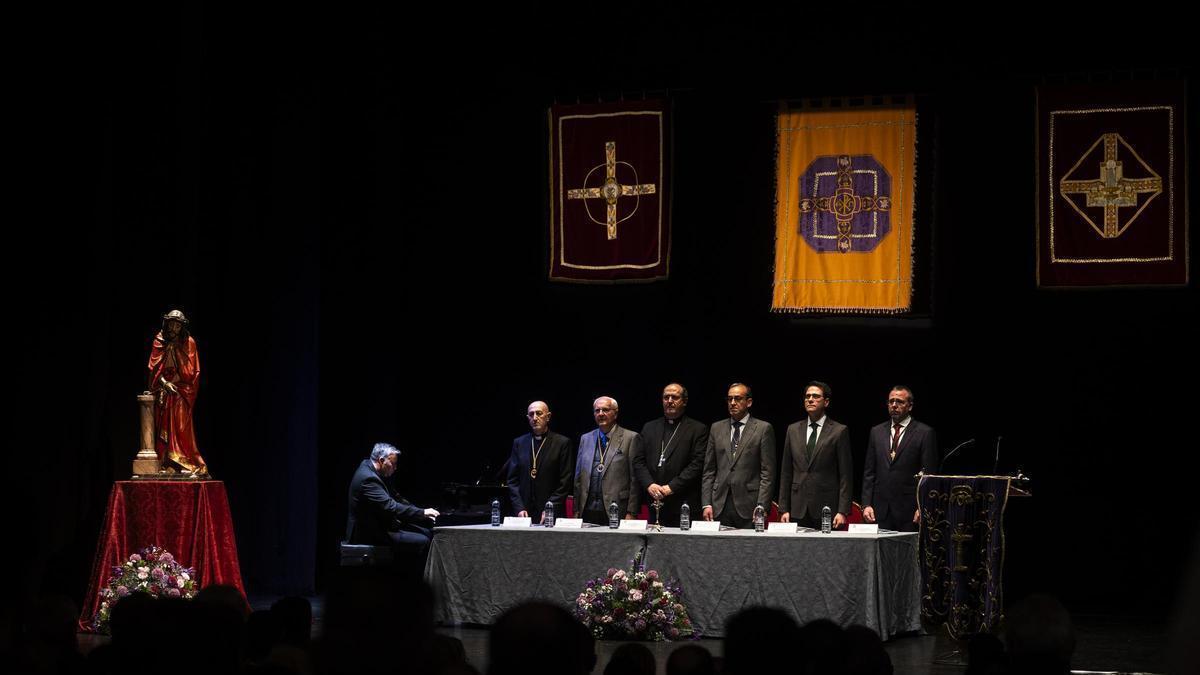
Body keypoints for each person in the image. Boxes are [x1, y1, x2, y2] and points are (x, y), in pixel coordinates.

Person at [861, 386, 938, 531]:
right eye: (891, 401)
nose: (894, 405)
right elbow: (869, 472)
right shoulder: (876, 432)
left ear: (910, 406)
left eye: (900, 402)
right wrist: (866, 504)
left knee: (906, 553)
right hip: (879, 510)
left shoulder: (924, 433)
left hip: (909, 511)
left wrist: (923, 506)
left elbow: (929, 476)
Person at [701, 383, 776, 529]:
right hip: (719, 504)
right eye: (729, 399)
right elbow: (709, 470)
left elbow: (768, 472)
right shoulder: (716, 428)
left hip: (750, 505)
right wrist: (706, 503)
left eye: (737, 398)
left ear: (749, 402)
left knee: (747, 550)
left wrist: (762, 505)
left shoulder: (763, 429)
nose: (733, 403)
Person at [779, 381, 852, 529]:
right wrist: (783, 508)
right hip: (797, 507)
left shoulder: (839, 431)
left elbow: (846, 475)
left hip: (827, 508)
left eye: (815, 396)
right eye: (807, 396)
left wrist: (843, 511)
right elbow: (786, 472)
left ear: (826, 402)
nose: (810, 399)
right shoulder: (792, 430)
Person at [345, 443, 439, 556]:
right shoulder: (368, 479)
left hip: (380, 524)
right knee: (423, 541)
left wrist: (420, 510)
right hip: (367, 533)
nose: (395, 468)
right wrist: (422, 513)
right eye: (393, 464)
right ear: (381, 460)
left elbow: (396, 497)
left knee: (426, 532)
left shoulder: (373, 469)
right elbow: (391, 507)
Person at [634, 383, 708, 527]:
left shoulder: (697, 429)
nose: (669, 400)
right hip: (654, 501)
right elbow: (638, 461)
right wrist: (649, 484)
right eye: (666, 397)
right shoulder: (649, 427)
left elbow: (697, 464)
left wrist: (672, 487)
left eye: (674, 397)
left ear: (684, 401)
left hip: (683, 502)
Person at [147, 309, 207, 475]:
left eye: (177, 325)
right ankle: (167, 463)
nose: (174, 328)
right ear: (166, 324)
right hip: (163, 390)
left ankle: (185, 462)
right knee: (161, 427)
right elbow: (153, 370)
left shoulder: (189, 342)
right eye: (171, 324)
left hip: (182, 390)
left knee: (181, 425)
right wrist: (165, 384)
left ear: (182, 327)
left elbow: (191, 372)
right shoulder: (159, 340)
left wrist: (176, 354)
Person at [574, 396, 642, 526]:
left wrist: (632, 512)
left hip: (617, 508)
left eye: (605, 410)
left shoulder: (631, 438)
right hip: (587, 508)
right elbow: (578, 478)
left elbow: (635, 479)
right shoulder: (585, 438)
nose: (600, 414)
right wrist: (576, 510)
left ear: (615, 413)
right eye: (597, 410)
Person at [506, 401, 573, 523]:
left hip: (552, 512)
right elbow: (512, 480)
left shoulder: (562, 443)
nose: (535, 418)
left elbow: (565, 481)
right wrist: (519, 507)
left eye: (539, 413)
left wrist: (550, 507)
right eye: (531, 414)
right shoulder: (519, 443)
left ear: (548, 417)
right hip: (523, 514)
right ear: (528, 418)